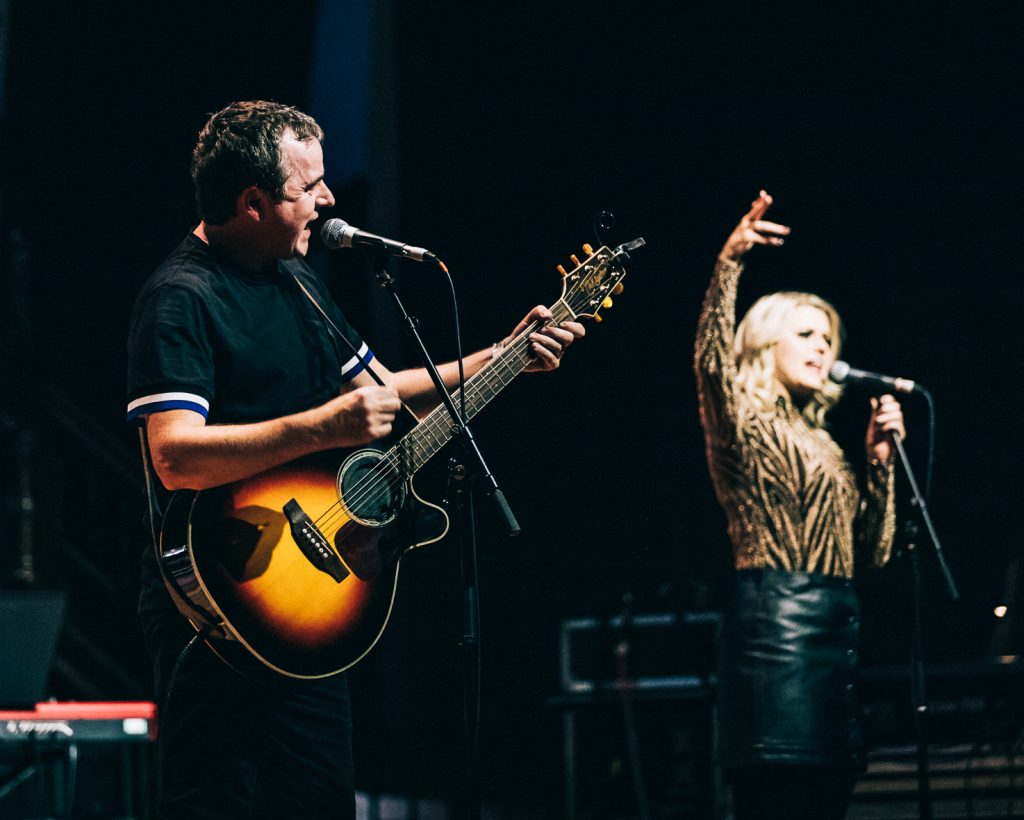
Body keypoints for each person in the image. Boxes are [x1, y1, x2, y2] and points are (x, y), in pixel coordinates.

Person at [126, 100, 584, 819]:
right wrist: (321, 429)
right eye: (310, 188)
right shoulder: (181, 298)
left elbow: (383, 399)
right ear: (252, 202)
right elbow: (176, 458)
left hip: (310, 614)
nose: (329, 199)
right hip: (219, 608)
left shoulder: (298, 278)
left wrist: (499, 359)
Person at [694, 190, 905, 819]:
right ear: (765, 342)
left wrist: (878, 466)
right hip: (777, 645)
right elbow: (710, 363)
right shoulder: (745, 420)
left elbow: (873, 553)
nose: (823, 348)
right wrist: (729, 263)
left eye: (829, 338)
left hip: (835, 647)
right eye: (807, 334)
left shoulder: (824, 444)